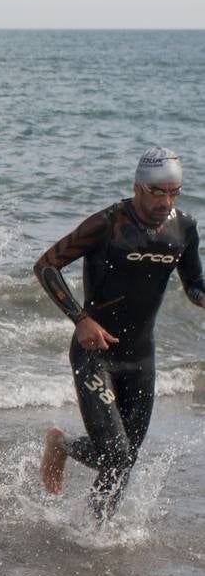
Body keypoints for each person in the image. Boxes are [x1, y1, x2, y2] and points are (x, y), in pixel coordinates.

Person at [35, 146, 203, 521]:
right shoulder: (108, 223)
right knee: (116, 455)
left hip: (141, 358)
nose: (166, 200)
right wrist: (80, 319)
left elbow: (194, 284)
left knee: (124, 461)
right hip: (95, 354)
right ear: (138, 186)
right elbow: (46, 266)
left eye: (174, 190)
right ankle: (61, 445)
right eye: (158, 191)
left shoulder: (184, 228)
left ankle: (96, 533)